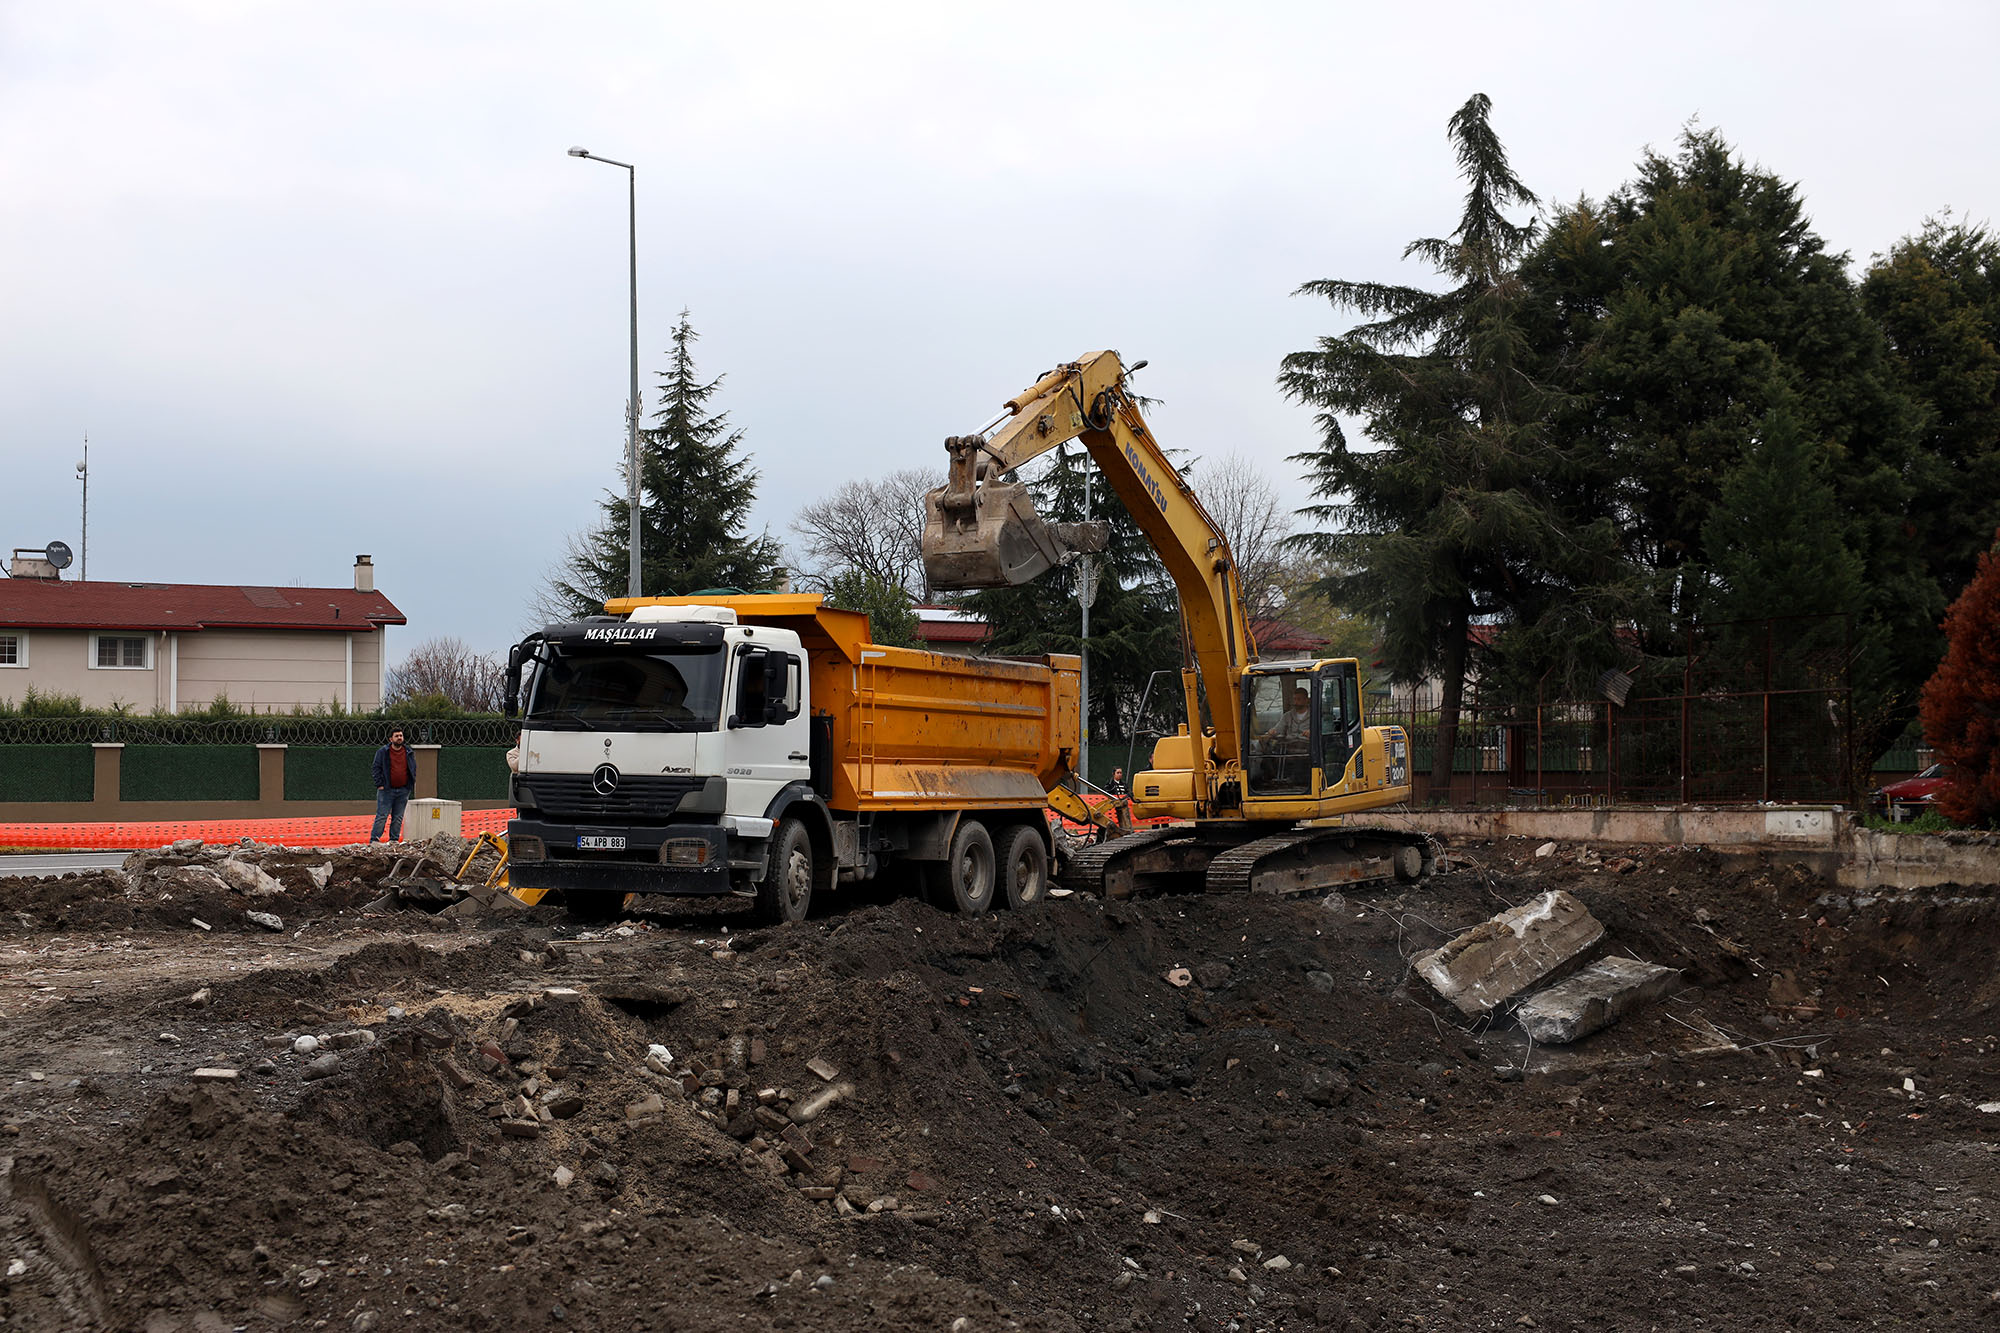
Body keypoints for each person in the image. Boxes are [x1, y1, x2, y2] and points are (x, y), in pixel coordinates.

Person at [371, 728, 417, 842]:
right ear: (391, 739)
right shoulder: (383, 752)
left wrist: (409, 785)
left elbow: (412, 767)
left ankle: (394, 841)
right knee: (382, 816)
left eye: (401, 735)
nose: (399, 738)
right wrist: (380, 784)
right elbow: (376, 768)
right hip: (386, 790)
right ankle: (374, 841)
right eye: (396, 736)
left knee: (398, 818)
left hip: (403, 791)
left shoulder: (408, 752)